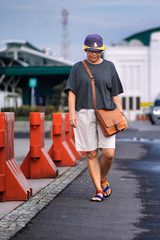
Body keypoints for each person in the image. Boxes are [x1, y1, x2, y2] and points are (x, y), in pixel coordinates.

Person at [64, 34, 124, 202]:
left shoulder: (109, 67)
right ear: (85, 50)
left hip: (107, 113)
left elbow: (116, 93)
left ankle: (102, 178)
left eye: (97, 51)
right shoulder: (77, 68)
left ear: (101, 51)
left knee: (109, 153)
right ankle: (98, 189)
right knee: (91, 154)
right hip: (84, 113)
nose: (94, 54)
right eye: (91, 51)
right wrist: (71, 113)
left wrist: (120, 113)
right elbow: (71, 92)